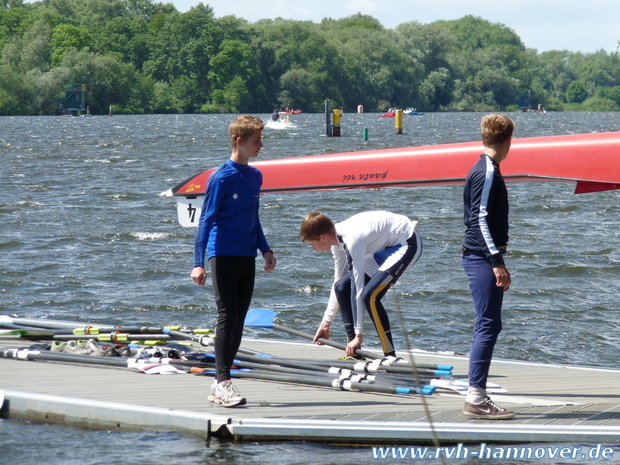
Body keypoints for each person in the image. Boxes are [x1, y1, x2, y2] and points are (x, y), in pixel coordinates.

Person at [191, 115, 277, 407]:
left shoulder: (255, 176)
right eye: (257, 141)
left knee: (240, 316)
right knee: (227, 315)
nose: (261, 145)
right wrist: (198, 262)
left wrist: (265, 249)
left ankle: (222, 381)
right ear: (240, 142)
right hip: (222, 252)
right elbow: (206, 220)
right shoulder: (221, 177)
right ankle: (221, 381)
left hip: (246, 254)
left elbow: (253, 216)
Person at [300, 211, 422, 358]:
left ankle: (390, 356)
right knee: (341, 287)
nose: (314, 248)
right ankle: (354, 354)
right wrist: (326, 324)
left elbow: (357, 288)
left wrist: (359, 335)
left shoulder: (352, 240)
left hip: (407, 243)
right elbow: (338, 283)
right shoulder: (336, 243)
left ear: (323, 237)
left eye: (313, 244)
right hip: (386, 246)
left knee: (369, 296)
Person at [461, 113, 515, 420]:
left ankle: (476, 395)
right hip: (481, 256)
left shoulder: (483, 167)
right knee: (488, 323)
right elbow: (479, 219)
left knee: (489, 322)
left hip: (482, 254)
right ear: (509, 141)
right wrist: (497, 262)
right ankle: (476, 399)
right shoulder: (487, 171)